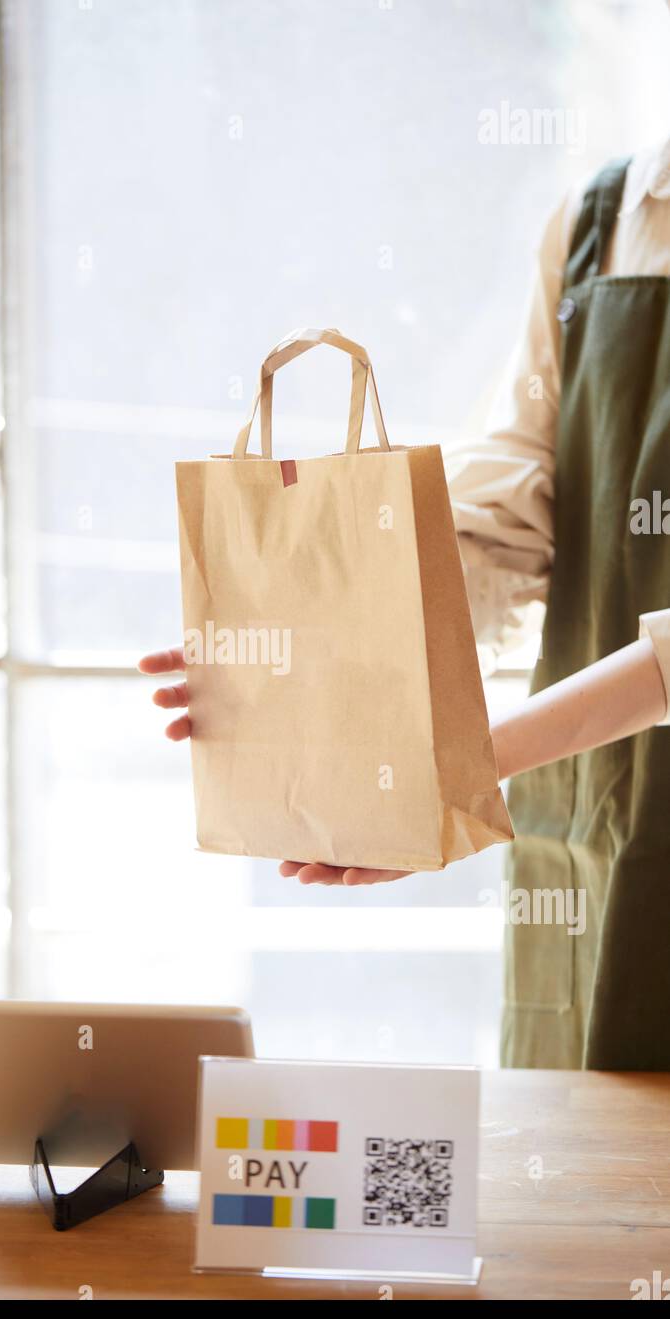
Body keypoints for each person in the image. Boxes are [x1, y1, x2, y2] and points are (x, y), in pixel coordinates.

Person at [140, 139, 670, 1071]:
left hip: (563, 755)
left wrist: (463, 767)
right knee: (585, 1171)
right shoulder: (603, 220)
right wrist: (301, 639)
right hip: (597, 809)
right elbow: (512, 507)